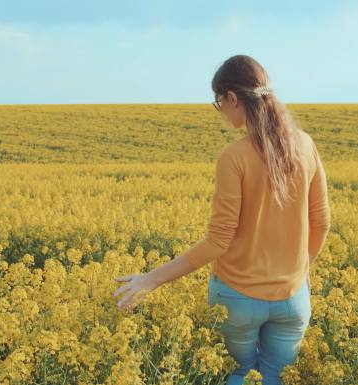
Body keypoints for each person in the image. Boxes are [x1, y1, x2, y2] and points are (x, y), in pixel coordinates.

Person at [112, 54, 331, 385]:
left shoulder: (234, 157)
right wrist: (301, 271)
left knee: (241, 374)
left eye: (219, 103)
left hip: (238, 299)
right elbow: (322, 221)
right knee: (273, 377)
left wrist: (152, 279)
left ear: (232, 97)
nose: (221, 112)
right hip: (292, 299)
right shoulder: (306, 145)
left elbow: (218, 241)